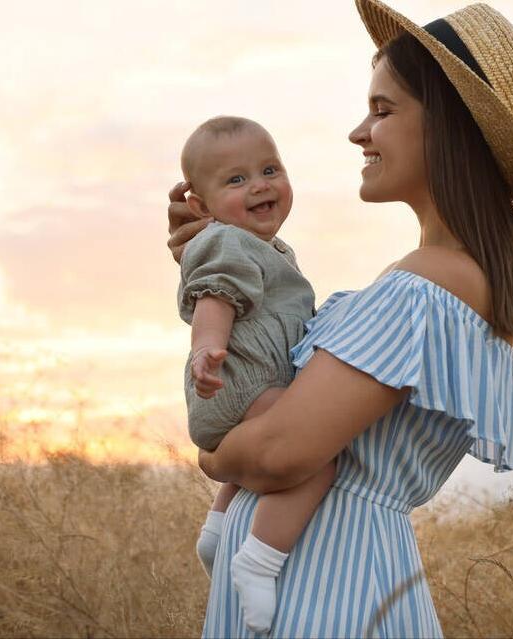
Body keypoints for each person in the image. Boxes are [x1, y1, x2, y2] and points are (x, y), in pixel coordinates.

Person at [166, 1, 513, 636]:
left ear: (448, 129)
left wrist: (215, 455)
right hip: (326, 584)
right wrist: (224, 252)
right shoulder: (436, 279)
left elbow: (277, 453)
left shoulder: (427, 287)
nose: (358, 133)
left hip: (329, 594)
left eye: (383, 110)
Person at [176, 116, 336, 634]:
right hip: (235, 383)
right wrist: (207, 350)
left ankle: (219, 527)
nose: (261, 185)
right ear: (201, 207)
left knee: (259, 460)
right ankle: (260, 560)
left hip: (240, 388)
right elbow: (214, 300)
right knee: (314, 454)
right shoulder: (228, 242)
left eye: (270, 169)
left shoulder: (267, 250)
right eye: (237, 179)